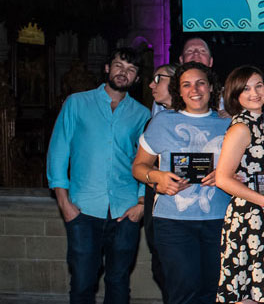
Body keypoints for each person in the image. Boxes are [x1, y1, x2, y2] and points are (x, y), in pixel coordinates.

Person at [46, 47, 151, 304]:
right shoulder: (77, 103)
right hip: (83, 209)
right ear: (107, 68)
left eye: (131, 69)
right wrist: (64, 203)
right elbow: (58, 151)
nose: (123, 72)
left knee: (119, 282)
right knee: (82, 282)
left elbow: (148, 161)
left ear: (137, 78)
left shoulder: (142, 114)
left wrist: (141, 203)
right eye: (118, 65)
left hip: (125, 210)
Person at [131, 61, 231, 304]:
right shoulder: (162, 121)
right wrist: (158, 178)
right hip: (173, 223)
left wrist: (227, 175)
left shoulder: (228, 123)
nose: (194, 90)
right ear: (179, 90)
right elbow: (138, 167)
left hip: (219, 220)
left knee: (214, 293)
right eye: (186, 85)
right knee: (183, 293)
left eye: (200, 83)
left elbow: (245, 170)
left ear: (211, 87)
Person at [215, 66, 264, 303]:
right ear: (235, 94)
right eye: (246, 89)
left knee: (259, 290)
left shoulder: (260, 124)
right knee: (246, 291)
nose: (255, 93)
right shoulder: (241, 127)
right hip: (250, 216)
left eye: (259, 86)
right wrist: (263, 200)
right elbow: (222, 178)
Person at [144, 63, 175, 303]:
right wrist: (156, 176)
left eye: (158, 78)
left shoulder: (210, 119)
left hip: (198, 216)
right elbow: (139, 166)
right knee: (163, 273)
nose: (151, 85)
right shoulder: (156, 121)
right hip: (159, 210)